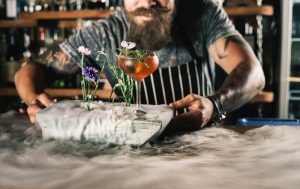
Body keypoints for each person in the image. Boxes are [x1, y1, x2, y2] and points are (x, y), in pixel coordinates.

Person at [14, 0, 265, 132]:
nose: (148, 1)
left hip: (201, 148)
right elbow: (29, 70)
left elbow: (253, 74)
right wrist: (36, 100)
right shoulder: (105, 34)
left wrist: (215, 103)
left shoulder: (202, 14)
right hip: (133, 156)